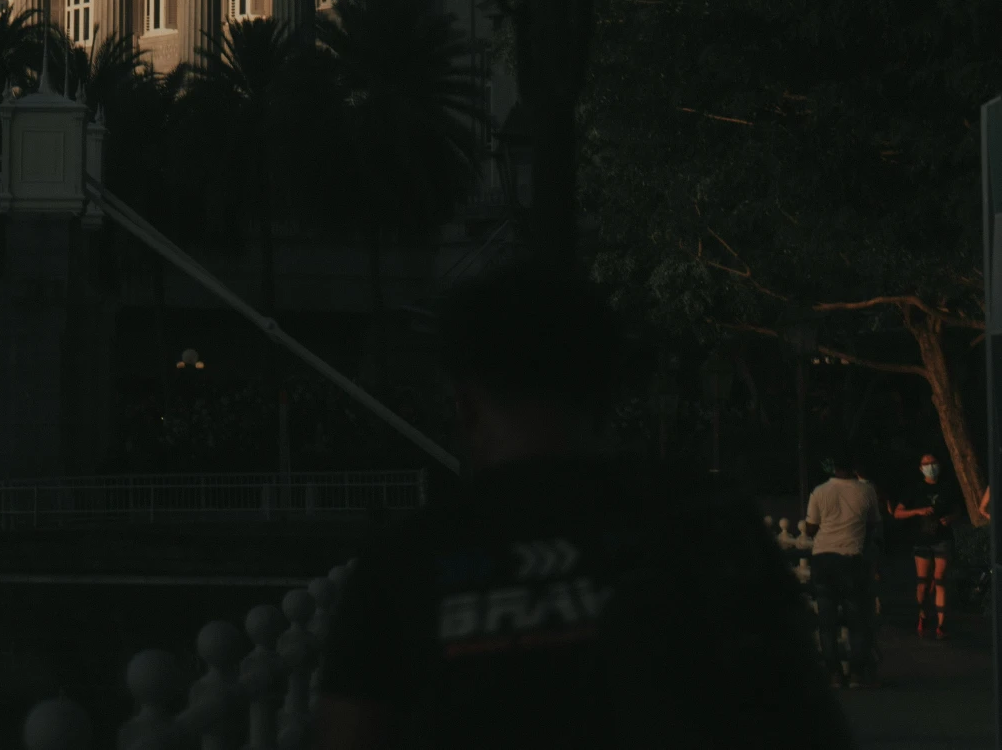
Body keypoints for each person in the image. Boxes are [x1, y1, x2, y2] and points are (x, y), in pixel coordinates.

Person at [316, 264, 850, 747]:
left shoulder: (402, 564)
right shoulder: (707, 522)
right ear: (607, 386)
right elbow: (804, 718)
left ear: (464, 401)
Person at [803, 455, 879, 684]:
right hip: (851, 558)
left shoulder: (819, 491)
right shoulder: (866, 492)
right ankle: (856, 672)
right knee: (856, 619)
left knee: (827, 622)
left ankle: (833, 672)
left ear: (834, 467)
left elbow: (810, 528)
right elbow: (873, 524)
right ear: (854, 467)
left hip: (824, 558)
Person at [891, 453, 962, 638]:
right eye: (926, 463)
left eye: (933, 462)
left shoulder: (947, 488)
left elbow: (958, 511)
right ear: (920, 468)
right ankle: (922, 614)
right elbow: (898, 513)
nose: (930, 466)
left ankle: (941, 624)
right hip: (922, 540)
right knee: (923, 582)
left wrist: (951, 518)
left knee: (940, 579)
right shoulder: (915, 489)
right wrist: (917, 511)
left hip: (942, 539)